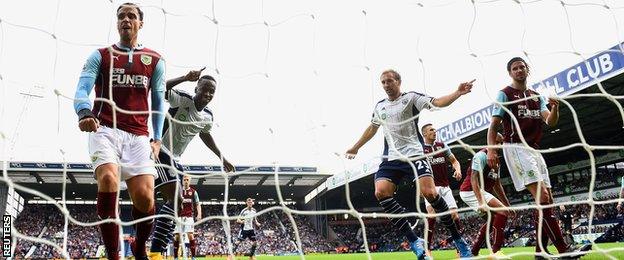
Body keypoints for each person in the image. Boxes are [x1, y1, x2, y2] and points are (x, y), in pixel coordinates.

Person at [345, 69, 475, 259]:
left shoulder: (412, 98)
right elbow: (372, 128)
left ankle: (458, 240)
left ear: (398, 81)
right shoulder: (380, 106)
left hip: (415, 155)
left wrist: (457, 93)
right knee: (381, 192)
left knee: (430, 194)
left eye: (389, 81)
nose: (386, 85)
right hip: (391, 159)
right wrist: (355, 147)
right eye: (383, 82)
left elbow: (437, 102)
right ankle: (414, 241)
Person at [73, 3, 164, 259]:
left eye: (131, 16)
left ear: (140, 23)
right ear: (117, 23)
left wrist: (157, 139)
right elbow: (82, 89)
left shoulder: (155, 60)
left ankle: (139, 246)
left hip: (138, 135)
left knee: (146, 199)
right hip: (105, 129)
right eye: (121, 15)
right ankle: (113, 253)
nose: (126, 19)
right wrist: (84, 112)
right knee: (109, 179)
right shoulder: (100, 55)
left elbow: (158, 102)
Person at [486, 57, 591, 258]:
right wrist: (492, 150)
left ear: (527, 70)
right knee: (542, 198)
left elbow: (550, 121)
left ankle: (540, 252)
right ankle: (564, 249)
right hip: (515, 147)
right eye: (515, 68)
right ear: (510, 73)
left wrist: (555, 107)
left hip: (534, 149)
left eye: (522, 67)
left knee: (548, 200)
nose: (519, 70)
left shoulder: (536, 96)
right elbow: (494, 125)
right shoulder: (505, 94)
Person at [148, 69, 234, 260]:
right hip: (160, 151)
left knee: (177, 206)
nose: (208, 94)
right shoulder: (183, 99)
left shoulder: (208, 117)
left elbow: (205, 133)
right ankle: (154, 252)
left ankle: (158, 250)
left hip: (176, 159)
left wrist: (222, 157)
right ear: (197, 88)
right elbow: (160, 89)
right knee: (175, 200)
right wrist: (184, 78)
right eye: (205, 89)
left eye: (212, 91)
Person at [459, 133, 512, 258]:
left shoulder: (497, 161)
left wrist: (508, 204)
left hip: (478, 192)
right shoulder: (481, 156)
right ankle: (495, 252)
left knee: (493, 220)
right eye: (498, 142)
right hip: (469, 191)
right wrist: (481, 202)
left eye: (501, 143)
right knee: (502, 212)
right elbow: (474, 179)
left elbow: (497, 185)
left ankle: (474, 251)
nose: (500, 145)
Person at [420, 123, 462, 252]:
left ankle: (460, 249)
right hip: (430, 187)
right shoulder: (420, 149)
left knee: (455, 217)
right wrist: (419, 188)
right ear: (424, 134)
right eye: (431, 130)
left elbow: (454, 161)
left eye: (434, 129)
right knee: (432, 215)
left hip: (445, 187)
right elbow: (415, 170)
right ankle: (427, 250)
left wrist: (458, 170)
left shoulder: (442, 146)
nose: (434, 131)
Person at [170, 175, 202, 260]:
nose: (186, 181)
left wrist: (199, 214)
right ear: (182, 181)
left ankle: (193, 257)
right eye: (185, 180)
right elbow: (173, 203)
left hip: (189, 217)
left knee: (191, 235)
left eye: (187, 180)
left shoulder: (193, 192)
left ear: (190, 181)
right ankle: (176, 257)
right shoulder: (178, 191)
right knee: (177, 236)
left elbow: (198, 204)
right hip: (179, 216)